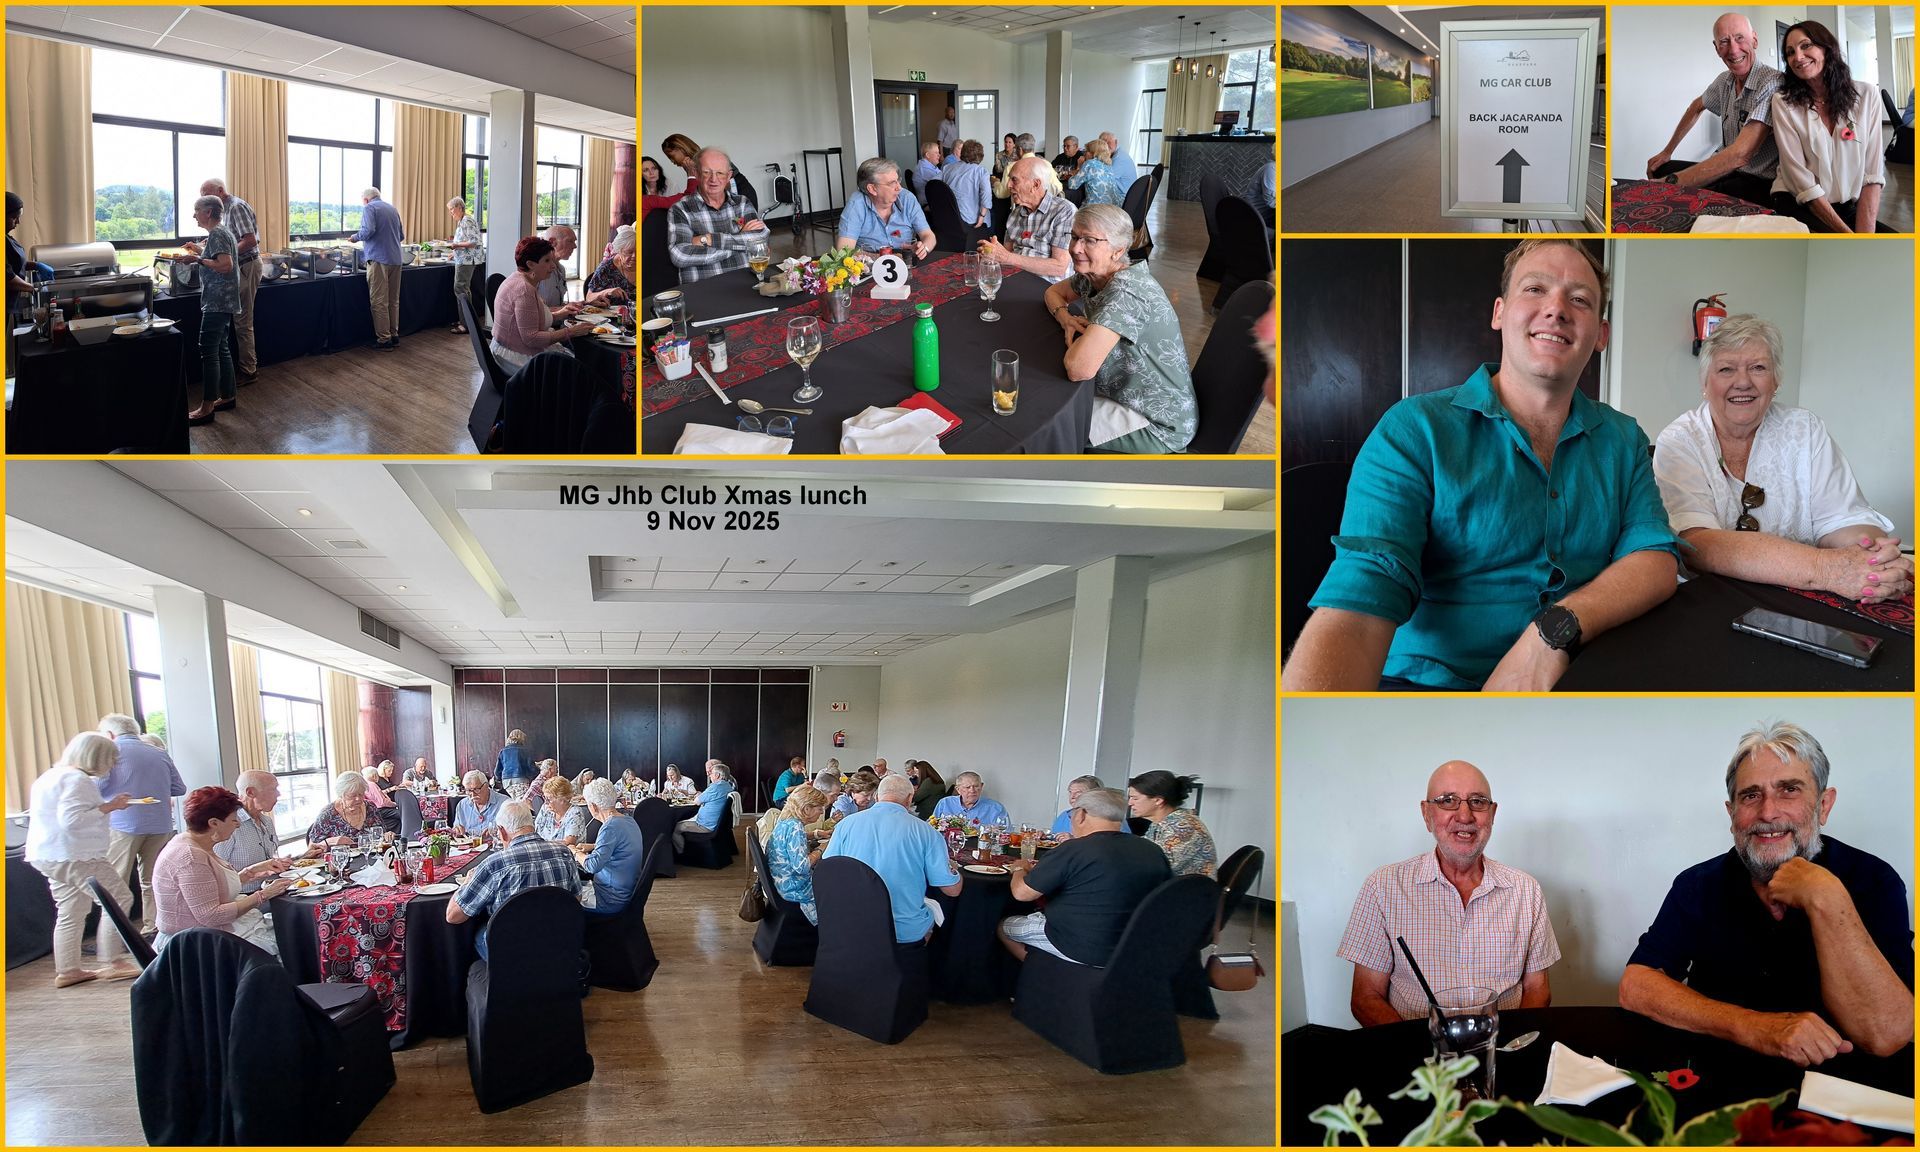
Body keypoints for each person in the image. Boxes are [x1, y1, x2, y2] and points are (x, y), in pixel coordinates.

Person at [1284, 239, 1682, 691]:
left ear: (1601, 335)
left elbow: (1653, 558)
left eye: (1580, 299)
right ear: (1499, 313)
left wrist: (1552, 633)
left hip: (1581, 677)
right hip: (1430, 688)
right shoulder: (1414, 428)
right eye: (1535, 289)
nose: (1556, 309)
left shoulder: (1624, 437)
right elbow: (1364, 591)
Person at [1619, 722, 1913, 1065]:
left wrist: (1827, 899)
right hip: (1723, 1075)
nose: (1768, 812)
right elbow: (1636, 985)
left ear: (1823, 806)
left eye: (1789, 790)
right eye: (1751, 795)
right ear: (1732, 815)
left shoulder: (1874, 880)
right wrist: (1754, 1027)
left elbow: (1888, 1035)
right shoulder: (1698, 884)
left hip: (1838, 1086)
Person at [1654, 314, 1909, 602]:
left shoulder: (1805, 429)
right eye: (1726, 369)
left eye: (1758, 368)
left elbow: (1842, 518)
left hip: (1798, 598)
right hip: (1709, 602)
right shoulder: (1680, 440)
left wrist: (1876, 559)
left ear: (1776, 381)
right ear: (1704, 383)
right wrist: (1824, 569)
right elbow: (1696, 543)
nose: (1743, 382)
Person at [1338, 761, 1558, 1024]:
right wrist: (1427, 1060)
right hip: (1420, 1056)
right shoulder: (1383, 887)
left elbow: (1538, 990)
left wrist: (1508, 1047)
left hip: (1501, 1048)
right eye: (1447, 801)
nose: (1465, 816)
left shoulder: (1526, 890)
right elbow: (1366, 997)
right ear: (1426, 813)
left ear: (1493, 814)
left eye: (1477, 802)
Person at [1044, 203, 1197, 453]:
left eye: (1089, 240)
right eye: (1073, 237)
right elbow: (1052, 292)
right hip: (1125, 393)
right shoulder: (1093, 275)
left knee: (1058, 429)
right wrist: (1066, 318)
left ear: (1118, 250)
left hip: (1156, 422)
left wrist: (1078, 335)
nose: (1075, 248)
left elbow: (1077, 368)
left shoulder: (1127, 293)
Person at [1000, 787, 1169, 964]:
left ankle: (1044, 970)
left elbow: (1022, 893)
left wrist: (1020, 869)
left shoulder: (1074, 849)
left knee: (1004, 926)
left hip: (1080, 944)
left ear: (1080, 814)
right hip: (1136, 943)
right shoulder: (1151, 849)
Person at [26, 733, 140, 987]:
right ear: (96, 757)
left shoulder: (50, 776)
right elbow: (72, 820)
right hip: (75, 854)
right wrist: (110, 807)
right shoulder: (78, 780)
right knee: (119, 899)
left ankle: (68, 969)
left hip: (47, 855)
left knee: (71, 909)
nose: (111, 765)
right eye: (110, 759)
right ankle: (112, 962)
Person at [1644, 14, 1782, 206]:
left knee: (1676, 193)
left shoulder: (1772, 82)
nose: (1733, 50)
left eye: (1739, 38)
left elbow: (1740, 155)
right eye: (1724, 41)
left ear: (1755, 40)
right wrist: (1667, 151)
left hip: (1757, 181)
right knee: (1660, 168)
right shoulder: (1724, 81)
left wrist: (1671, 182)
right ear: (1716, 48)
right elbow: (1696, 106)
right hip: (1729, 171)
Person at [1769, 21, 1888, 232]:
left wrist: (1865, 239)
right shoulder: (1783, 102)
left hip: (1845, 206)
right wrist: (1847, 236)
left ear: (1827, 48)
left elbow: (1872, 174)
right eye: (1790, 52)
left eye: (1806, 46)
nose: (1798, 57)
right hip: (1799, 202)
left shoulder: (1867, 96)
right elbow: (1799, 178)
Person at [152, 786, 291, 956]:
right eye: (233, 820)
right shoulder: (190, 858)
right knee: (289, 939)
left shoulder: (192, 843)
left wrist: (251, 872)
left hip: (208, 931)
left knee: (288, 929)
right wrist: (264, 895)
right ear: (214, 823)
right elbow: (212, 916)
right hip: (195, 943)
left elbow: (209, 889)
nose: (238, 824)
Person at [823, 775, 962, 943]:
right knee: (933, 916)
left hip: (851, 922)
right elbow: (952, 890)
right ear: (909, 799)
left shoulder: (845, 825)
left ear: (877, 796)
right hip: (902, 930)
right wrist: (955, 870)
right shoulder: (927, 832)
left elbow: (829, 870)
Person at [446, 800, 580, 960]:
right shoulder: (564, 853)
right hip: (558, 942)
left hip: (511, 950)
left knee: (477, 934)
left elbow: (453, 916)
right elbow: (575, 899)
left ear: (502, 832)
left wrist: (468, 881)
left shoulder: (495, 864)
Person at [97, 714, 185, 936]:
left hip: (123, 824)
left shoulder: (111, 752)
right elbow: (179, 788)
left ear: (109, 734)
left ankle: (114, 935)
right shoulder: (159, 753)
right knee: (153, 879)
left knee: (116, 883)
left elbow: (97, 788)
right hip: (160, 823)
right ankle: (153, 927)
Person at [488, 236, 598, 373]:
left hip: (507, 350)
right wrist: (570, 332)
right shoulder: (524, 290)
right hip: (518, 360)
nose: (553, 265)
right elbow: (531, 339)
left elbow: (530, 319)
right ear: (530, 264)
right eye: (547, 261)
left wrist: (561, 313)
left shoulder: (518, 279)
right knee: (584, 369)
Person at [178, 195, 240, 426]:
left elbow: (225, 265)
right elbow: (217, 255)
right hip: (222, 300)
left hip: (217, 300)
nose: (194, 215)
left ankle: (207, 407)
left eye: (196, 210)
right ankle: (228, 395)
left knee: (208, 350)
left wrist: (197, 259)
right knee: (221, 348)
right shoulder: (220, 233)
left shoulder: (218, 234)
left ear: (208, 212)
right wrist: (199, 251)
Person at [668, 147, 768, 282]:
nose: (714, 179)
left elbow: (760, 237)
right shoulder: (680, 209)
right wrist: (741, 242)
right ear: (696, 173)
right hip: (704, 290)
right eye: (706, 172)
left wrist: (709, 239)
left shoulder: (742, 203)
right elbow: (680, 256)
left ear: (729, 176)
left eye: (720, 173)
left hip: (747, 284)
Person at [198, 179, 261, 384]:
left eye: (206, 194)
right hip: (239, 266)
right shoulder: (224, 211)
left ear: (220, 191)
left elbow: (250, 240)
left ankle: (249, 370)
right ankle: (243, 368)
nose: (203, 199)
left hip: (246, 266)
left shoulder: (236, 207)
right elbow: (232, 239)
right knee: (236, 321)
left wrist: (225, 253)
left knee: (243, 321)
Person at [980, 157, 1073, 283]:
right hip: (1015, 281)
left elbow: (1059, 267)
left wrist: (1007, 257)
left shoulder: (1063, 211)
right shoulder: (1015, 214)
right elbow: (1006, 254)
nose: (1008, 185)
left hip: (1048, 288)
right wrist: (992, 253)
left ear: (1035, 184)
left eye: (1014, 180)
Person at [837, 157, 935, 258]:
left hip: (907, 264)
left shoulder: (907, 198)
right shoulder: (857, 204)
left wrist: (923, 248)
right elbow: (843, 251)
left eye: (898, 181)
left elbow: (928, 236)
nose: (899, 187)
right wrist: (886, 258)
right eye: (892, 183)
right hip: (869, 268)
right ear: (872, 189)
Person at [1127, 770, 1217, 877]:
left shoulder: (1183, 828)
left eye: (1135, 798)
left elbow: (1155, 868)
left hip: (1187, 891)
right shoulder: (1161, 823)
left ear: (1158, 800)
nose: (1130, 803)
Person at [575, 778, 644, 915]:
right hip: (626, 894)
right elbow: (621, 847)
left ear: (593, 806)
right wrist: (593, 846)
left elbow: (592, 865)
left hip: (610, 899)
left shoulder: (609, 827)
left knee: (563, 896)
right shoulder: (629, 820)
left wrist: (574, 852)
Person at [213, 770, 286, 893]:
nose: (278, 794)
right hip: (244, 897)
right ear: (250, 792)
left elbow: (269, 859)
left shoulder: (266, 821)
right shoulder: (229, 826)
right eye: (273, 789)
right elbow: (216, 876)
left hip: (273, 890)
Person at [352, 187, 406, 350]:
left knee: (379, 301)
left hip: (379, 259)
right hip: (396, 259)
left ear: (366, 200)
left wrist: (355, 237)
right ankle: (393, 334)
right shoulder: (392, 208)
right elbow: (401, 236)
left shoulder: (369, 208)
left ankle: (384, 339)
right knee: (393, 300)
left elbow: (368, 231)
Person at [765, 785, 827, 924]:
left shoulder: (786, 821)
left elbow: (790, 841)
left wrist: (816, 834)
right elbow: (802, 867)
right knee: (832, 887)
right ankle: (827, 930)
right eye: (819, 808)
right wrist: (821, 849)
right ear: (806, 809)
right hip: (792, 888)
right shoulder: (795, 827)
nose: (822, 812)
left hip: (780, 880)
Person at [673, 761, 735, 853]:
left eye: (711, 773)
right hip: (715, 824)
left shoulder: (716, 787)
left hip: (705, 826)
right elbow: (711, 797)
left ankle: (681, 854)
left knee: (676, 827)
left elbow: (697, 801)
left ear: (717, 775)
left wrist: (699, 796)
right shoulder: (727, 786)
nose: (709, 775)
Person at [307, 772, 377, 846]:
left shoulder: (370, 807)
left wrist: (387, 835)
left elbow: (380, 833)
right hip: (340, 856)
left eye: (361, 794)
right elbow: (312, 847)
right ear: (341, 795)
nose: (358, 798)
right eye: (352, 795)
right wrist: (331, 841)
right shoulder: (327, 814)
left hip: (371, 855)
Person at [1049, 774, 1131, 838]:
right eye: (1070, 792)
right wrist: (1043, 837)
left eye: (1078, 792)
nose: (1072, 797)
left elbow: (1117, 844)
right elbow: (1053, 839)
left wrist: (1073, 841)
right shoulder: (1064, 815)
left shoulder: (1110, 817)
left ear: (1094, 794)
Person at [447, 196, 484, 334]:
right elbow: (466, 241)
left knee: (460, 289)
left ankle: (466, 324)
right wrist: (454, 252)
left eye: (452, 209)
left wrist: (456, 245)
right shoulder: (463, 221)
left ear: (459, 207)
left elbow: (474, 241)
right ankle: (466, 320)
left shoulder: (466, 221)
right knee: (463, 289)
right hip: (464, 259)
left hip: (467, 261)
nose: (451, 212)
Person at [945, 140, 994, 242]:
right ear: (980, 156)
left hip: (950, 218)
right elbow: (986, 196)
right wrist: (982, 216)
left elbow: (933, 185)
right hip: (971, 220)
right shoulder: (981, 171)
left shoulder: (947, 168)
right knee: (993, 215)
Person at [931, 771, 1012, 827]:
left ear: (981, 786)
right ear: (958, 789)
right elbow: (932, 826)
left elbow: (1006, 834)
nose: (972, 790)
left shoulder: (995, 808)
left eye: (976, 786)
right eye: (967, 787)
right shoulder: (945, 803)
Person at [535, 776, 590, 846]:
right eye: (545, 798)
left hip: (565, 854)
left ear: (562, 799)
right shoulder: (545, 809)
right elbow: (536, 833)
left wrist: (543, 846)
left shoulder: (575, 813)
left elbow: (568, 843)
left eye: (549, 799)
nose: (546, 802)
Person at [584, 228, 635, 301]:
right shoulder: (607, 267)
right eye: (629, 252)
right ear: (619, 251)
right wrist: (606, 292)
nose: (634, 256)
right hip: (613, 311)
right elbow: (589, 298)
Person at [1067, 138, 1122, 206]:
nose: (1084, 153)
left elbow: (1072, 185)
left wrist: (1079, 166)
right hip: (1113, 208)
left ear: (1092, 153)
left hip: (1095, 209)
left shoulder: (1090, 163)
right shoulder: (1108, 166)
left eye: (1086, 151)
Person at [454, 770, 506, 837]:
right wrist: (457, 830)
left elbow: (513, 831)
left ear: (486, 785)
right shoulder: (462, 805)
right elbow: (457, 828)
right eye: (468, 790)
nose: (473, 794)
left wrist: (497, 831)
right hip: (470, 845)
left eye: (476, 789)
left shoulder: (504, 803)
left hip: (496, 846)